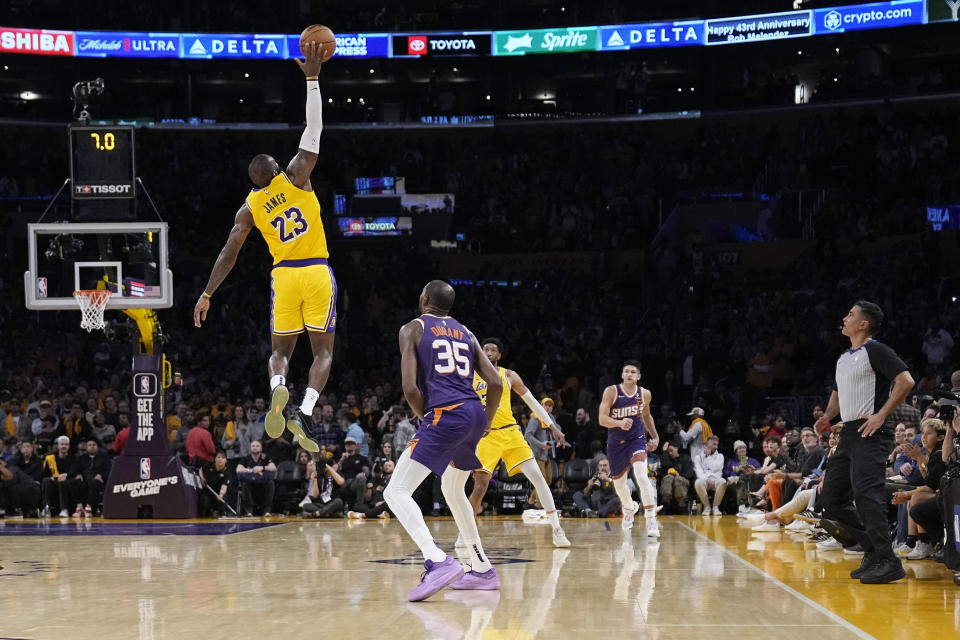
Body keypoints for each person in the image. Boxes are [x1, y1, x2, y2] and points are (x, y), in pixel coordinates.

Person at [193, 42, 333, 453]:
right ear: (276, 170)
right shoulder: (296, 176)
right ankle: (305, 411)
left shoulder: (249, 207)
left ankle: (277, 387)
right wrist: (311, 80)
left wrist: (206, 294)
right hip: (316, 270)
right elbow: (314, 130)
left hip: (283, 276)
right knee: (322, 351)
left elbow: (228, 253)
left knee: (280, 351)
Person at [384, 280, 503, 601]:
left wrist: (429, 420)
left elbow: (410, 389)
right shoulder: (466, 331)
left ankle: (437, 561)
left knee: (395, 491)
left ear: (423, 299)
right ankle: (482, 569)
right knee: (452, 489)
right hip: (474, 415)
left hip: (446, 414)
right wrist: (486, 421)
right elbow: (495, 382)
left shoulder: (412, 329)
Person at [814, 300, 915, 584]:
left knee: (866, 495)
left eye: (851, 314)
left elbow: (906, 381)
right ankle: (873, 550)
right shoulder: (844, 357)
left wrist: (882, 414)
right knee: (831, 498)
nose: (844, 317)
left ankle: (888, 560)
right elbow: (837, 395)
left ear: (864, 324)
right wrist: (827, 417)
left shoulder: (876, 350)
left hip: (871, 431)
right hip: (848, 432)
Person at [467, 337, 570, 548]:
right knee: (480, 485)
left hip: (511, 433)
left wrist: (552, 427)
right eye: (484, 349)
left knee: (538, 478)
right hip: (486, 437)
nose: (488, 352)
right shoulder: (470, 376)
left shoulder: (509, 375)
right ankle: (465, 533)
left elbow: (532, 401)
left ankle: (557, 530)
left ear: (499, 355)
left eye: (492, 350)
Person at [597, 360, 661, 538]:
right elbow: (602, 419)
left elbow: (646, 416)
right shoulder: (611, 391)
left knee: (641, 475)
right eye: (626, 371)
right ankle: (629, 507)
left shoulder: (645, 394)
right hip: (616, 444)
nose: (630, 374)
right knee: (619, 484)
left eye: (633, 372)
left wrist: (655, 436)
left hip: (636, 440)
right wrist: (618, 423)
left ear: (638, 376)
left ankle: (651, 520)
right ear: (622, 375)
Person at [236, 440, 277, 516]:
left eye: (257, 446)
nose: (255, 447)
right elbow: (238, 469)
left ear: (261, 449)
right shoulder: (246, 458)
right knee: (244, 483)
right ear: (250, 448)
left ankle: (267, 511)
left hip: (263, 484)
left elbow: (274, 468)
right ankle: (249, 511)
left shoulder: (265, 457)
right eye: (253, 446)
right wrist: (252, 470)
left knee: (271, 483)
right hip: (250, 484)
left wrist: (262, 468)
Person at [693, 436, 726, 515]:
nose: (716, 447)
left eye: (717, 445)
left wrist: (708, 457)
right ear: (707, 443)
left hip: (716, 480)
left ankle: (715, 507)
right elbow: (699, 472)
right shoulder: (698, 457)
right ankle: (707, 507)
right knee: (698, 482)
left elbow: (717, 469)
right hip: (705, 481)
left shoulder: (720, 456)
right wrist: (707, 480)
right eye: (714, 444)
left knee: (723, 482)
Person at [199, 451, 236, 517]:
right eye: (218, 457)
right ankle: (207, 513)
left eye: (223, 458)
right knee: (204, 502)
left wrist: (221, 494)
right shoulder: (209, 466)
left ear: (226, 461)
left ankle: (221, 512)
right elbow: (200, 469)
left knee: (222, 500)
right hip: (207, 492)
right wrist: (202, 477)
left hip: (218, 493)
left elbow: (224, 486)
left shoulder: (227, 472)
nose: (220, 459)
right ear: (215, 459)